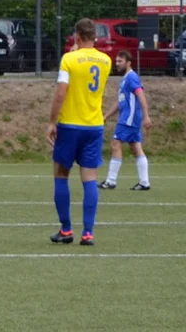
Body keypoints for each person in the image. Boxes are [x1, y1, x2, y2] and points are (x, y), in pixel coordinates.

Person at [49, 19, 113, 244]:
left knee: (60, 174)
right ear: (95, 37)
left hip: (70, 125)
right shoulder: (106, 60)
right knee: (90, 179)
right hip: (94, 125)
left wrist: (51, 121)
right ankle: (88, 233)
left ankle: (66, 230)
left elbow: (61, 93)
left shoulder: (69, 59)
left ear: (76, 36)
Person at [102, 51, 151, 191]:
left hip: (129, 119)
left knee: (115, 144)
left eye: (120, 61)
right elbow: (119, 102)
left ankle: (111, 181)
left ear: (128, 63)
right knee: (136, 147)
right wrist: (106, 117)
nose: (117, 64)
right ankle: (144, 182)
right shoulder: (125, 79)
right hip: (129, 118)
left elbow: (140, 94)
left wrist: (146, 116)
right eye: (116, 61)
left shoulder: (131, 77)